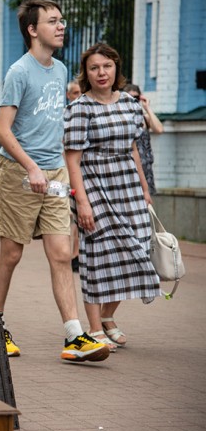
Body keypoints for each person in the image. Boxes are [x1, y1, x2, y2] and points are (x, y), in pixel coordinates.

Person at [0, 0, 109, 362]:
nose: (61, 26)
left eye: (61, 20)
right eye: (52, 21)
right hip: (19, 175)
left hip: (54, 174)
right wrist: (30, 166)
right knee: (11, 254)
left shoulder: (59, 70)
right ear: (32, 29)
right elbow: (1, 130)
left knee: (61, 253)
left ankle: (75, 337)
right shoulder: (19, 72)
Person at [64, 43, 160, 350]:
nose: (101, 73)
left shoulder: (131, 105)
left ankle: (108, 316)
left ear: (116, 68)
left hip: (129, 188)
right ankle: (95, 328)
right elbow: (72, 160)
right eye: (94, 68)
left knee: (137, 252)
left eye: (106, 66)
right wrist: (81, 202)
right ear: (86, 73)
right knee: (97, 258)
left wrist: (144, 190)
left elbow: (133, 150)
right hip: (94, 189)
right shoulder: (80, 109)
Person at [123, 83, 163, 196]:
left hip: (145, 168)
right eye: (130, 97)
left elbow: (159, 129)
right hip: (129, 168)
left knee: (146, 205)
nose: (133, 101)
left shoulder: (144, 118)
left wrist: (147, 108)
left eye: (136, 98)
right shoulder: (121, 119)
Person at [66, 80, 82, 273]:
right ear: (69, 95)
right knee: (74, 218)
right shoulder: (64, 116)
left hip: (87, 172)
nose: (79, 96)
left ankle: (77, 254)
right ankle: (74, 254)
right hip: (70, 173)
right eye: (75, 93)